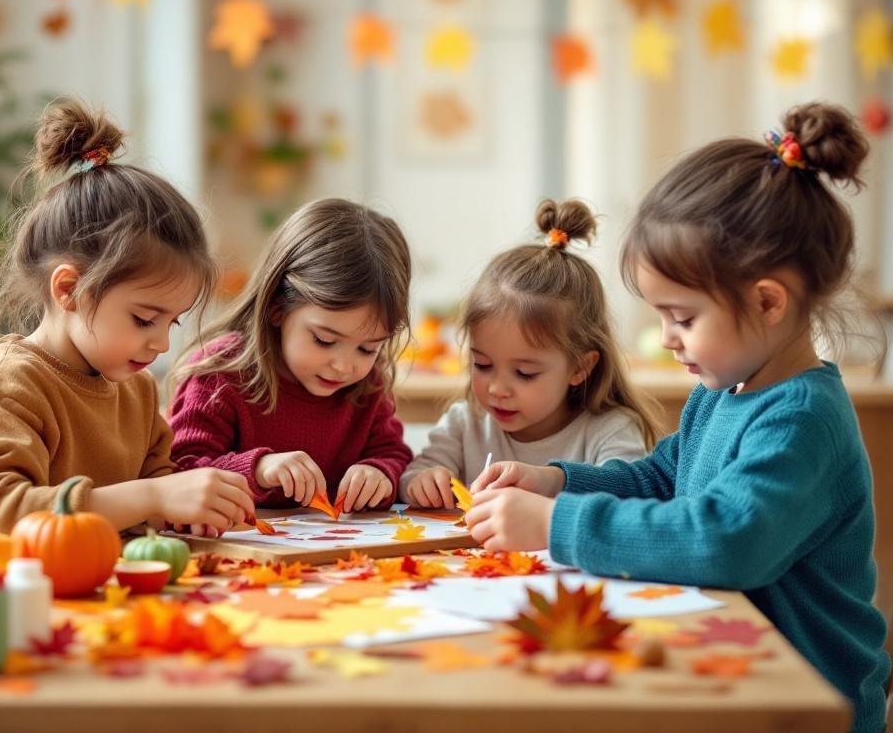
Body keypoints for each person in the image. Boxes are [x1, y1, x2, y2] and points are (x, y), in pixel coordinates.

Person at [468, 103, 890, 733]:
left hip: (803, 701)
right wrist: (558, 480)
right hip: (726, 675)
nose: (667, 338)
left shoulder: (802, 420)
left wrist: (557, 522)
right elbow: (662, 479)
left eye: (683, 318)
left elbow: (725, 541)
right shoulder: (726, 390)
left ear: (766, 301)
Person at [0, 98, 255, 551]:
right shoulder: (10, 388)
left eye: (171, 323)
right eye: (143, 319)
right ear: (69, 290)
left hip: (90, 595)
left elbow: (155, 486)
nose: (160, 342)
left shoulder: (133, 390)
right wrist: (152, 496)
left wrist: (183, 508)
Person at [168, 198, 413, 530]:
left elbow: (393, 454)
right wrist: (259, 468)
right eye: (324, 341)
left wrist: (379, 472)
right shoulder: (219, 375)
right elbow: (181, 471)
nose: (344, 366)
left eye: (368, 349)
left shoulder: (367, 385)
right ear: (277, 307)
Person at [399, 199, 659, 509]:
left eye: (524, 373)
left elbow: (632, 497)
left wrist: (552, 482)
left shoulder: (609, 430)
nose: (497, 388)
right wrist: (422, 481)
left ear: (580, 367)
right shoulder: (463, 424)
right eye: (482, 365)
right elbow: (412, 476)